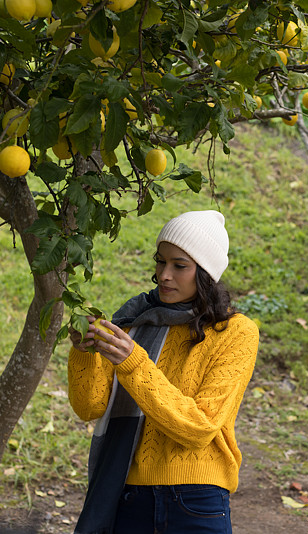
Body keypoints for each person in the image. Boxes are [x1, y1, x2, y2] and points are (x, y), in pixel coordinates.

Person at [67, 210, 259, 534]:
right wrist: (84, 352)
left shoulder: (235, 332)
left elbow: (200, 427)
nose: (164, 275)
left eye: (179, 266)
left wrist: (134, 363)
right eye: (160, 261)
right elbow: (89, 408)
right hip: (127, 497)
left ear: (206, 273)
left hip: (196, 502)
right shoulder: (135, 321)